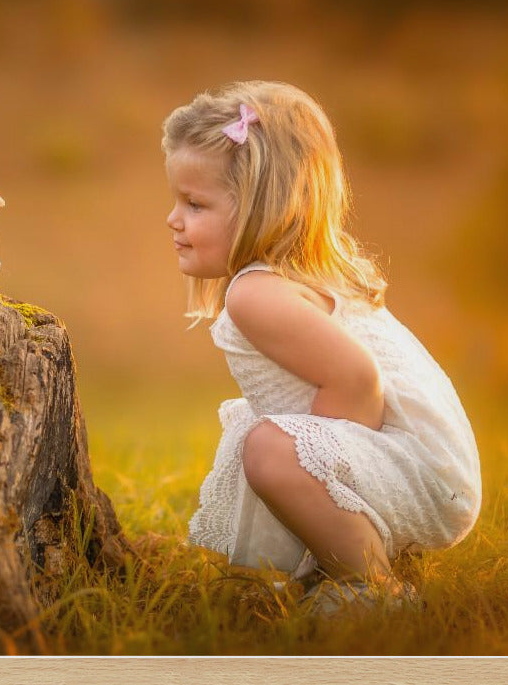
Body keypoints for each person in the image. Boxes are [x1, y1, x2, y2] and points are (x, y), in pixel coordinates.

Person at [162, 80, 482, 614]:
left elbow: (358, 382)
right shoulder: (290, 276)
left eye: (194, 204)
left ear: (260, 208)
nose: (174, 219)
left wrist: (323, 470)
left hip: (421, 472)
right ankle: (356, 559)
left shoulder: (256, 293)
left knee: (270, 447)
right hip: (433, 468)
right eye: (177, 201)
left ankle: (373, 587)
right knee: (269, 438)